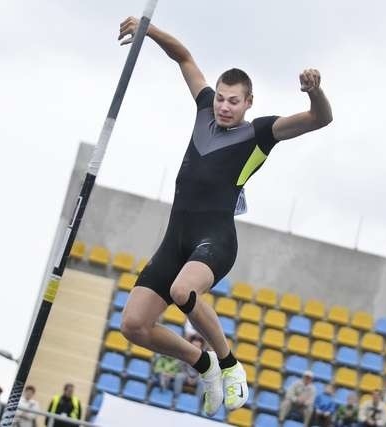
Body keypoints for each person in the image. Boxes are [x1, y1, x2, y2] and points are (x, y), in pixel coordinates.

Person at [117, 15, 332, 418]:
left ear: (248, 103)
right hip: (175, 240)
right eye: (220, 97)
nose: (224, 106)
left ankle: (230, 365)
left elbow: (320, 120)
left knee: (184, 293)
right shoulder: (203, 110)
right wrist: (149, 30)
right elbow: (183, 57)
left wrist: (315, 93)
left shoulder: (261, 133)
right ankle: (204, 364)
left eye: (234, 101)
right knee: (133, 326)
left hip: (214, 240)